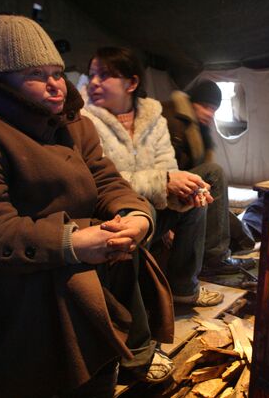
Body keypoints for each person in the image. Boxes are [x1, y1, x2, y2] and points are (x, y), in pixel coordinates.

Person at [0, 15, 174, 398]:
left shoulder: (76, 125)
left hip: (83, 252)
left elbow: (109, 182)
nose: (55, 85)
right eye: (35, 74)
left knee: (131, 243)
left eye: (57, 73)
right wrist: (72, 242)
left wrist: (136, 216)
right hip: (10, 274)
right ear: (1, 81)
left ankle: (129, 357)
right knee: (78, 282)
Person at [80, 46, 224, 307]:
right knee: (144, 206)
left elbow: (166, 165)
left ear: (131, 83)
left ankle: (184, 287)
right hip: (111, 210)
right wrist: (164, 182)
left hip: (152, 203)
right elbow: (100, 179)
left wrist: (183, 188)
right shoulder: (84, 120)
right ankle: (136, 304)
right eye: (91, 75)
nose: (94, 83)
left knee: (195, 199)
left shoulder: (152, 118)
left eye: (104, 75)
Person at [160, 80, 256, 276]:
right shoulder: (172, 119)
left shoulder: (198, 127)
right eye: (205, 106)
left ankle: (222, 251)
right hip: (168, 186)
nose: (209, 113)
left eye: (213, 109)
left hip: (186, 186)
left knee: (234, 226)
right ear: (192, 102)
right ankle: (215, 258)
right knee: (215, 172)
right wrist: (165, 228)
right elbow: (163, 169)